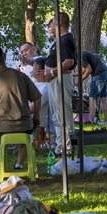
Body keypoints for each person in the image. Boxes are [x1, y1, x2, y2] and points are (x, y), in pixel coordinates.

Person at [0, 46, 41, 181]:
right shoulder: (20, 75)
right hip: (24, 124)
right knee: (25, 138)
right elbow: (37, 97)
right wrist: (37, 117)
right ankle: (19, 165)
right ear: (4, 56)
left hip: (1, 127)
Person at [42, 13, 77, 153]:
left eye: (52, 25)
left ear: (60, 24)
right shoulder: (60, 40)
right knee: (57, 114)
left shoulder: (65, 40)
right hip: (55, 80)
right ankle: (60, 146)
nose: (50, 28)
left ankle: (66, 148)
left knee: (63, 113)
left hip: (60, 80)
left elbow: (69, 61)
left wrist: (52, 72)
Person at [79, 48, 107, 123]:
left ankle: (91, 121)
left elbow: (89, 70)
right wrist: (72, 75)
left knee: (92, 97)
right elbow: (83, 70)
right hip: (104, 72)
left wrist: (80, 80)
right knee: (103, 98)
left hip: (98, 74)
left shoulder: (81, 55)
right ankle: (106, 121)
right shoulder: (84, 53)